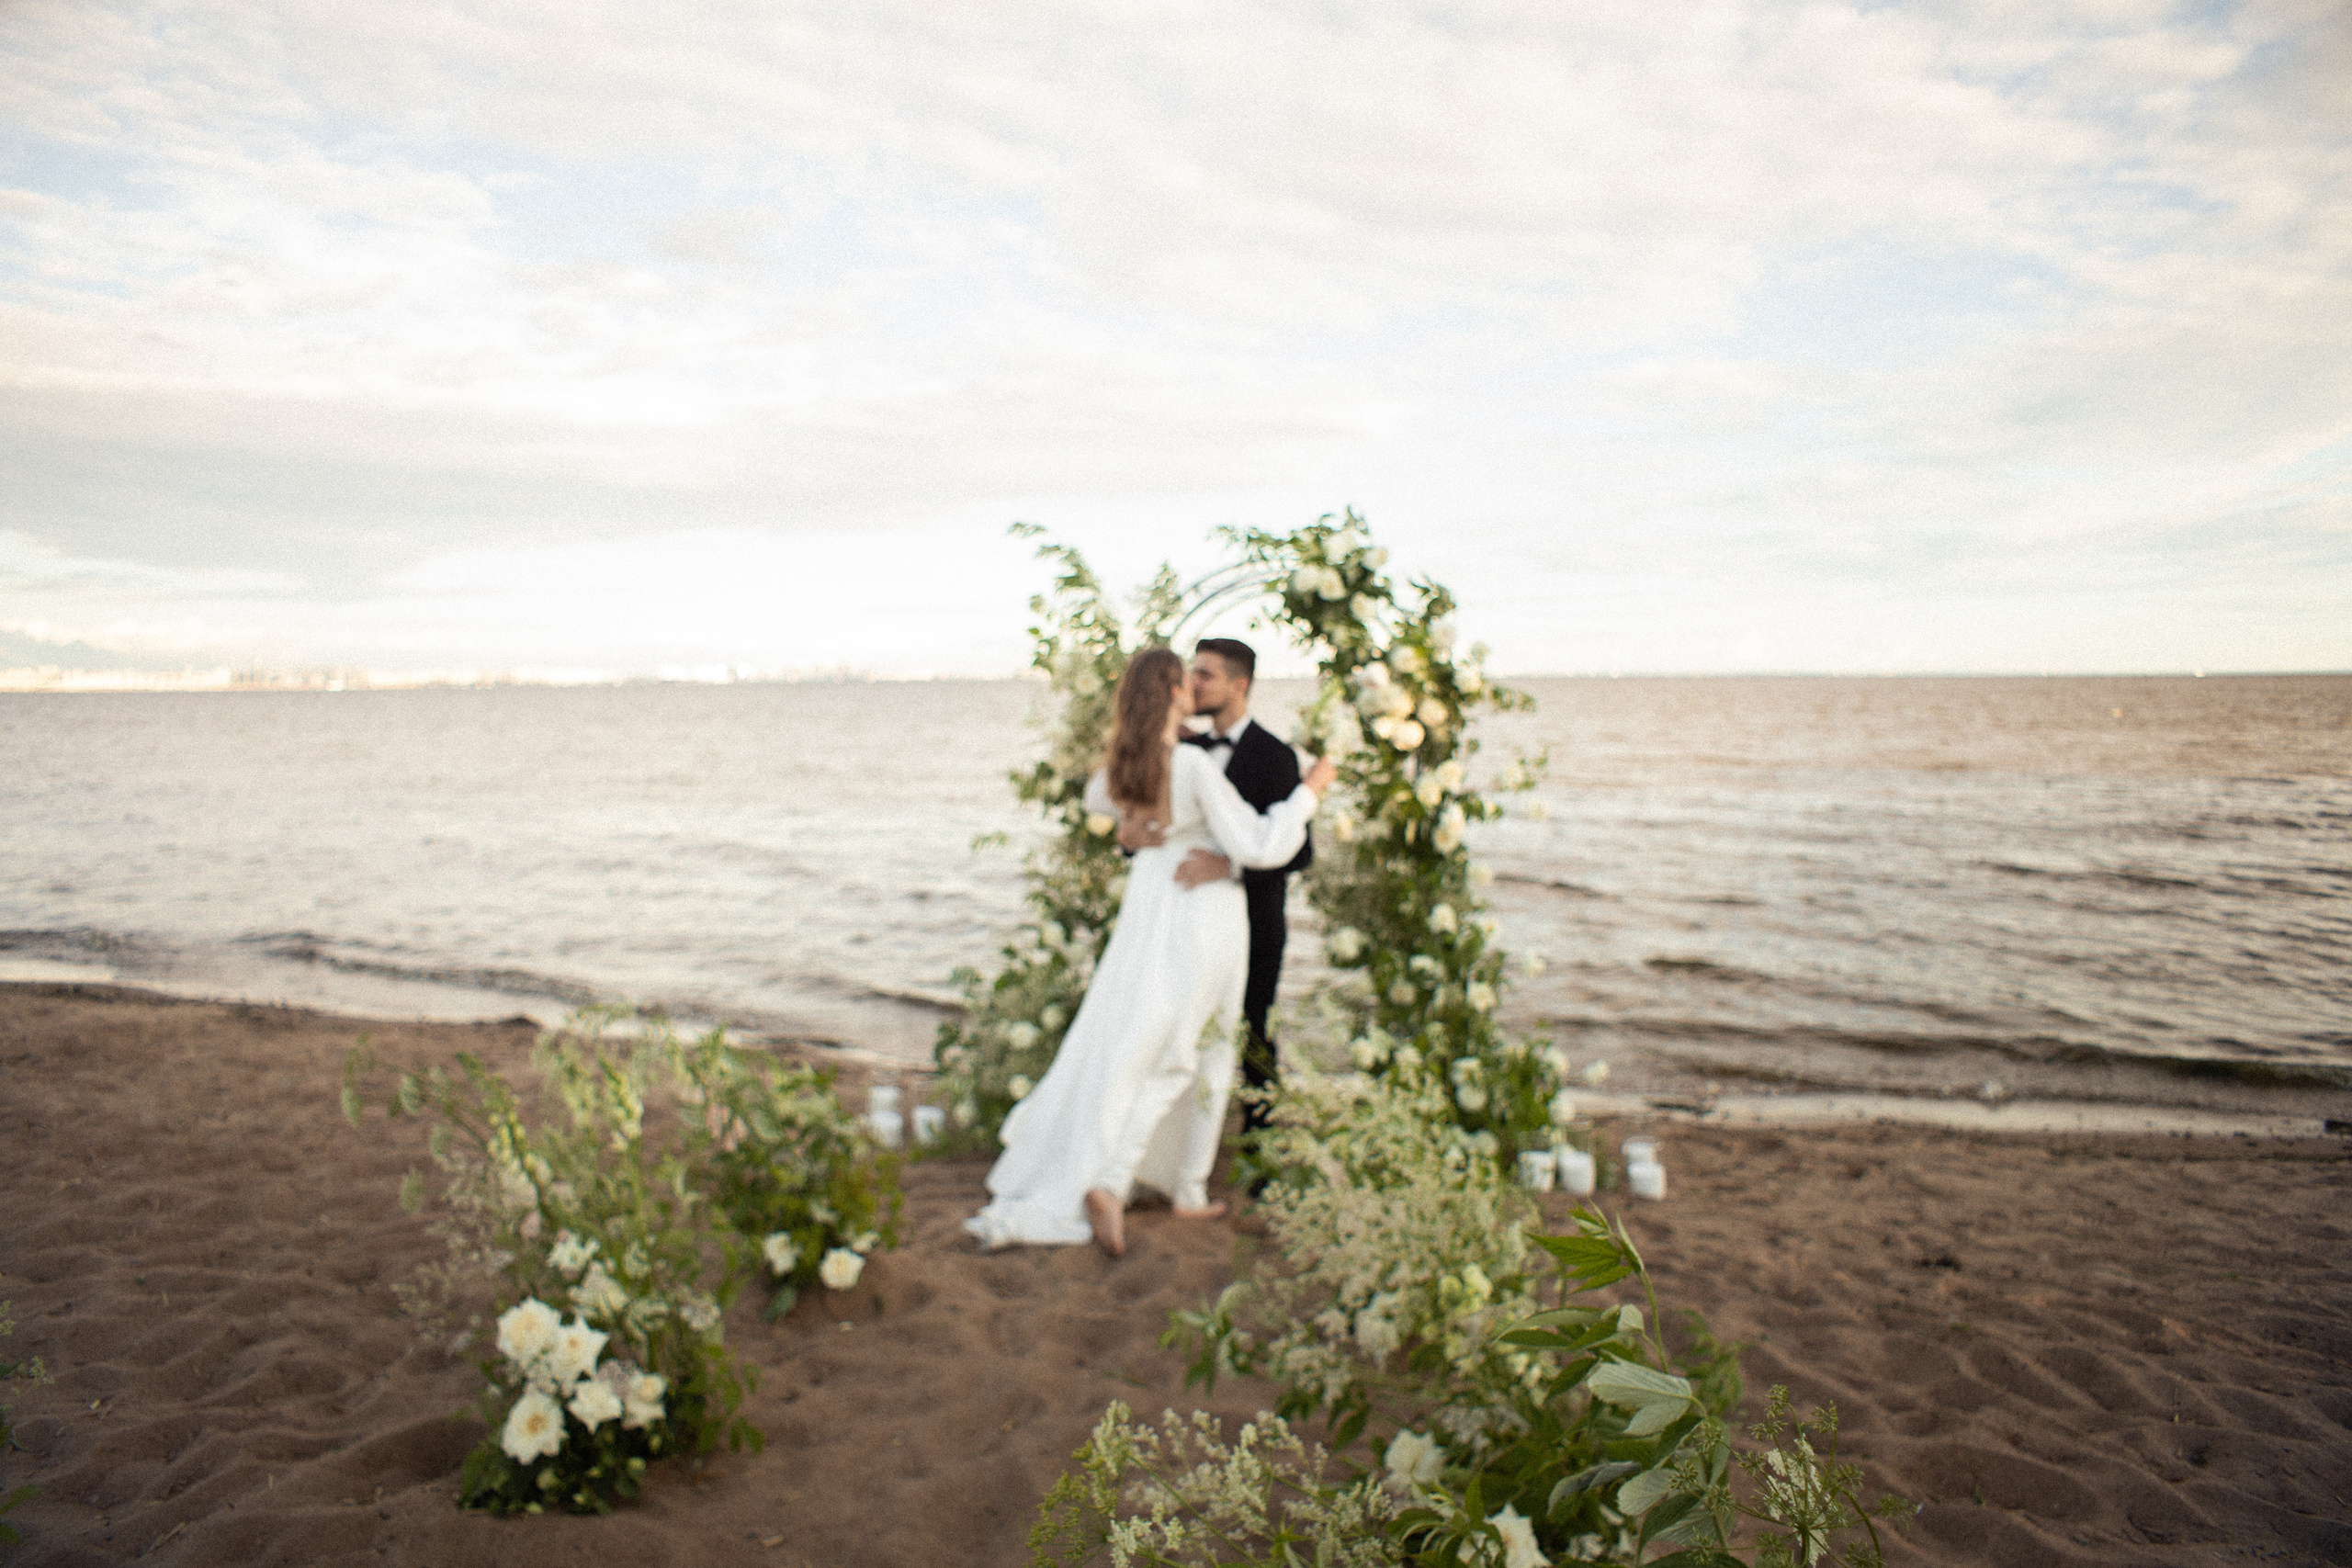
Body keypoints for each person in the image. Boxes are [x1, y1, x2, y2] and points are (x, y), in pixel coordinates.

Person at [964, 647, 1336, 1257]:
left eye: (1203, 674)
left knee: (1181, 1041)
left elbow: (1097, 798)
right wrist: (1312, 790)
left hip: (1170, 907)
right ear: (1171, 694)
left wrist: (1133, 825)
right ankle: (1116, 1181)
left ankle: (1186, 1184)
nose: (1193, 683)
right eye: (1184, 678)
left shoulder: (1134, 759)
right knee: (1194, 1047)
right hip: (1204, 915)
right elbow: (1264, 841)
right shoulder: (1188, 762)